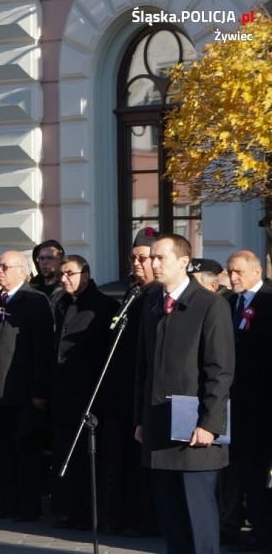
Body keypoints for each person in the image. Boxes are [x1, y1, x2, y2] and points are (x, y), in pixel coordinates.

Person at [134, 234, 235, 553]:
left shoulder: (210, 305)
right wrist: (142, 418)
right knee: (171, 519)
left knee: (199, 519)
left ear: (183, 262)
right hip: (160, 425)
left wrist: (210, 424)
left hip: (195, 431)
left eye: (160, 257)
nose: (152, 263)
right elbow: (143, 367)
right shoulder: (151, 303)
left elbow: (219, 370)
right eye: (151, 258)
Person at [0, 250, 53, 522]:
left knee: (26, 453)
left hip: (23, 392)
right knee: (3, 452)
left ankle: (28, 506)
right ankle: (7, 502)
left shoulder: (34, 300)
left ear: (22, 271)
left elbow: (41, 348)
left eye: (5, 267)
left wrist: (39, 392)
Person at [98, 226, 161, 537]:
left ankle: (142, 520)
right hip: (118, 390)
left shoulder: (157, 295)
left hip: (141, 392)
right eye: (133, 258)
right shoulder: (132, 291)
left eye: (143, 258)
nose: (137, 264)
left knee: (139, 465)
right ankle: (118, 517)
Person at [50, 255, 118, 529]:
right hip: (63, 392)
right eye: (62, 274)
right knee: (65, 452)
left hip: (89, 393)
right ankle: (70, 509)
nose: (64, 279)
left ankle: (90, 512)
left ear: (86, 275)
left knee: (88, 456)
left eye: (70, 274)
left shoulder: (103, 306)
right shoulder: (60, 302)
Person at [225, 249, 272, 552]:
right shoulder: (228, 303)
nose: (232, 277)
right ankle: (234, 526)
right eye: (230, 271)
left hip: (263, 405)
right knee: (236, 470)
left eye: (238, 272)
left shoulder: (269, 302)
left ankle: (263, 531)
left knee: (258, 473)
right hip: (234, 405)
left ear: (256, 272)